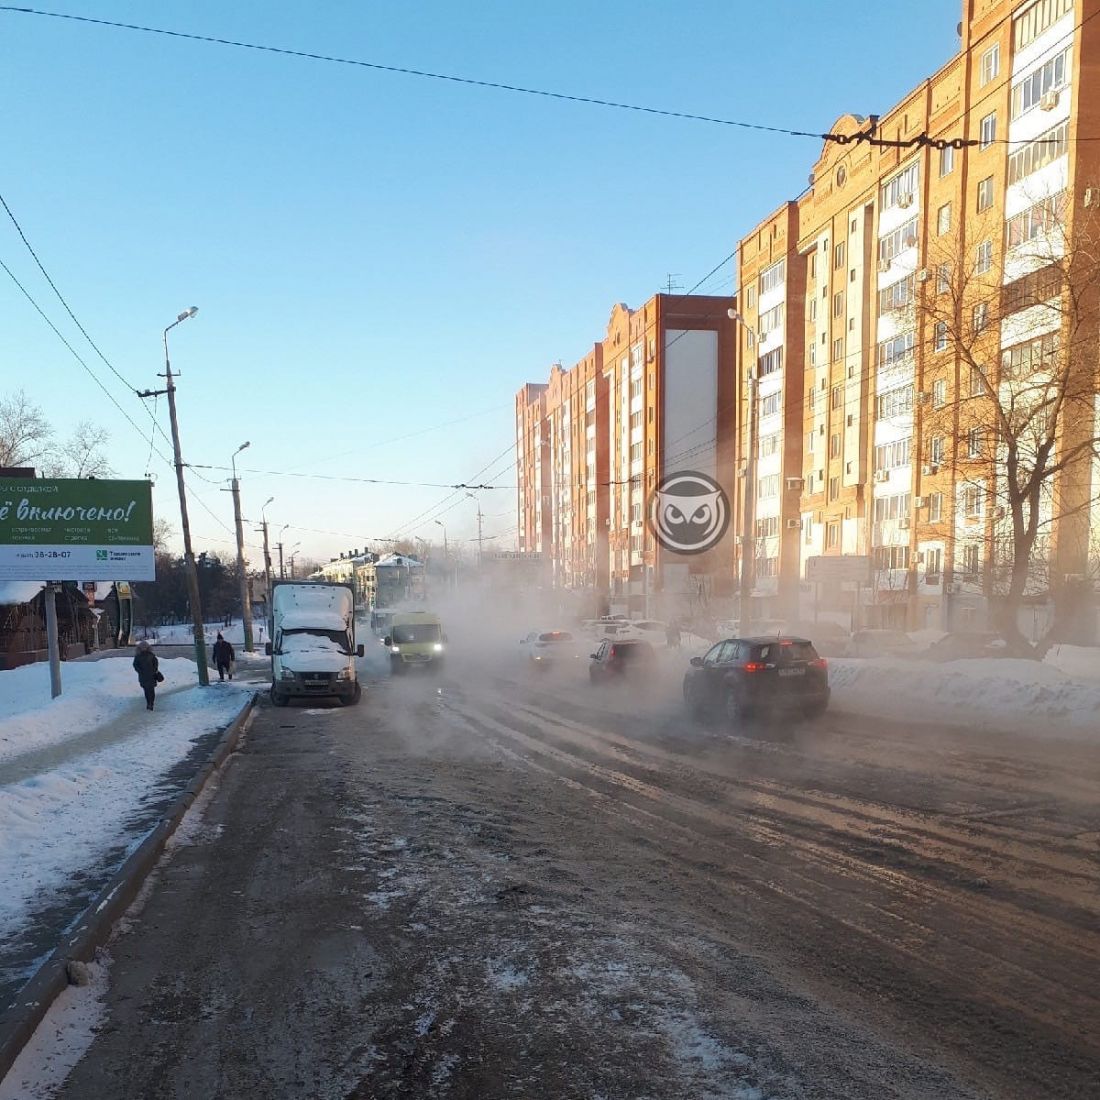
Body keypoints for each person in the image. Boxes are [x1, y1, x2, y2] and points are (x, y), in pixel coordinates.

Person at [133, 640, 161, 711]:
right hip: (143, 677)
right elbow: (135, 665)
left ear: (148, 647)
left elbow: (156, 663)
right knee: (146, 691)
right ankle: (148, 703)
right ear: (140, 648)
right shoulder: (138, 656)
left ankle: (151, 703)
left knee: (151, 691)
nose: (144, 648)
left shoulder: (151, 655)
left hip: (151, 676)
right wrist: (140, 671)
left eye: (145, 647)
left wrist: (154, 670)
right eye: (142, 647)